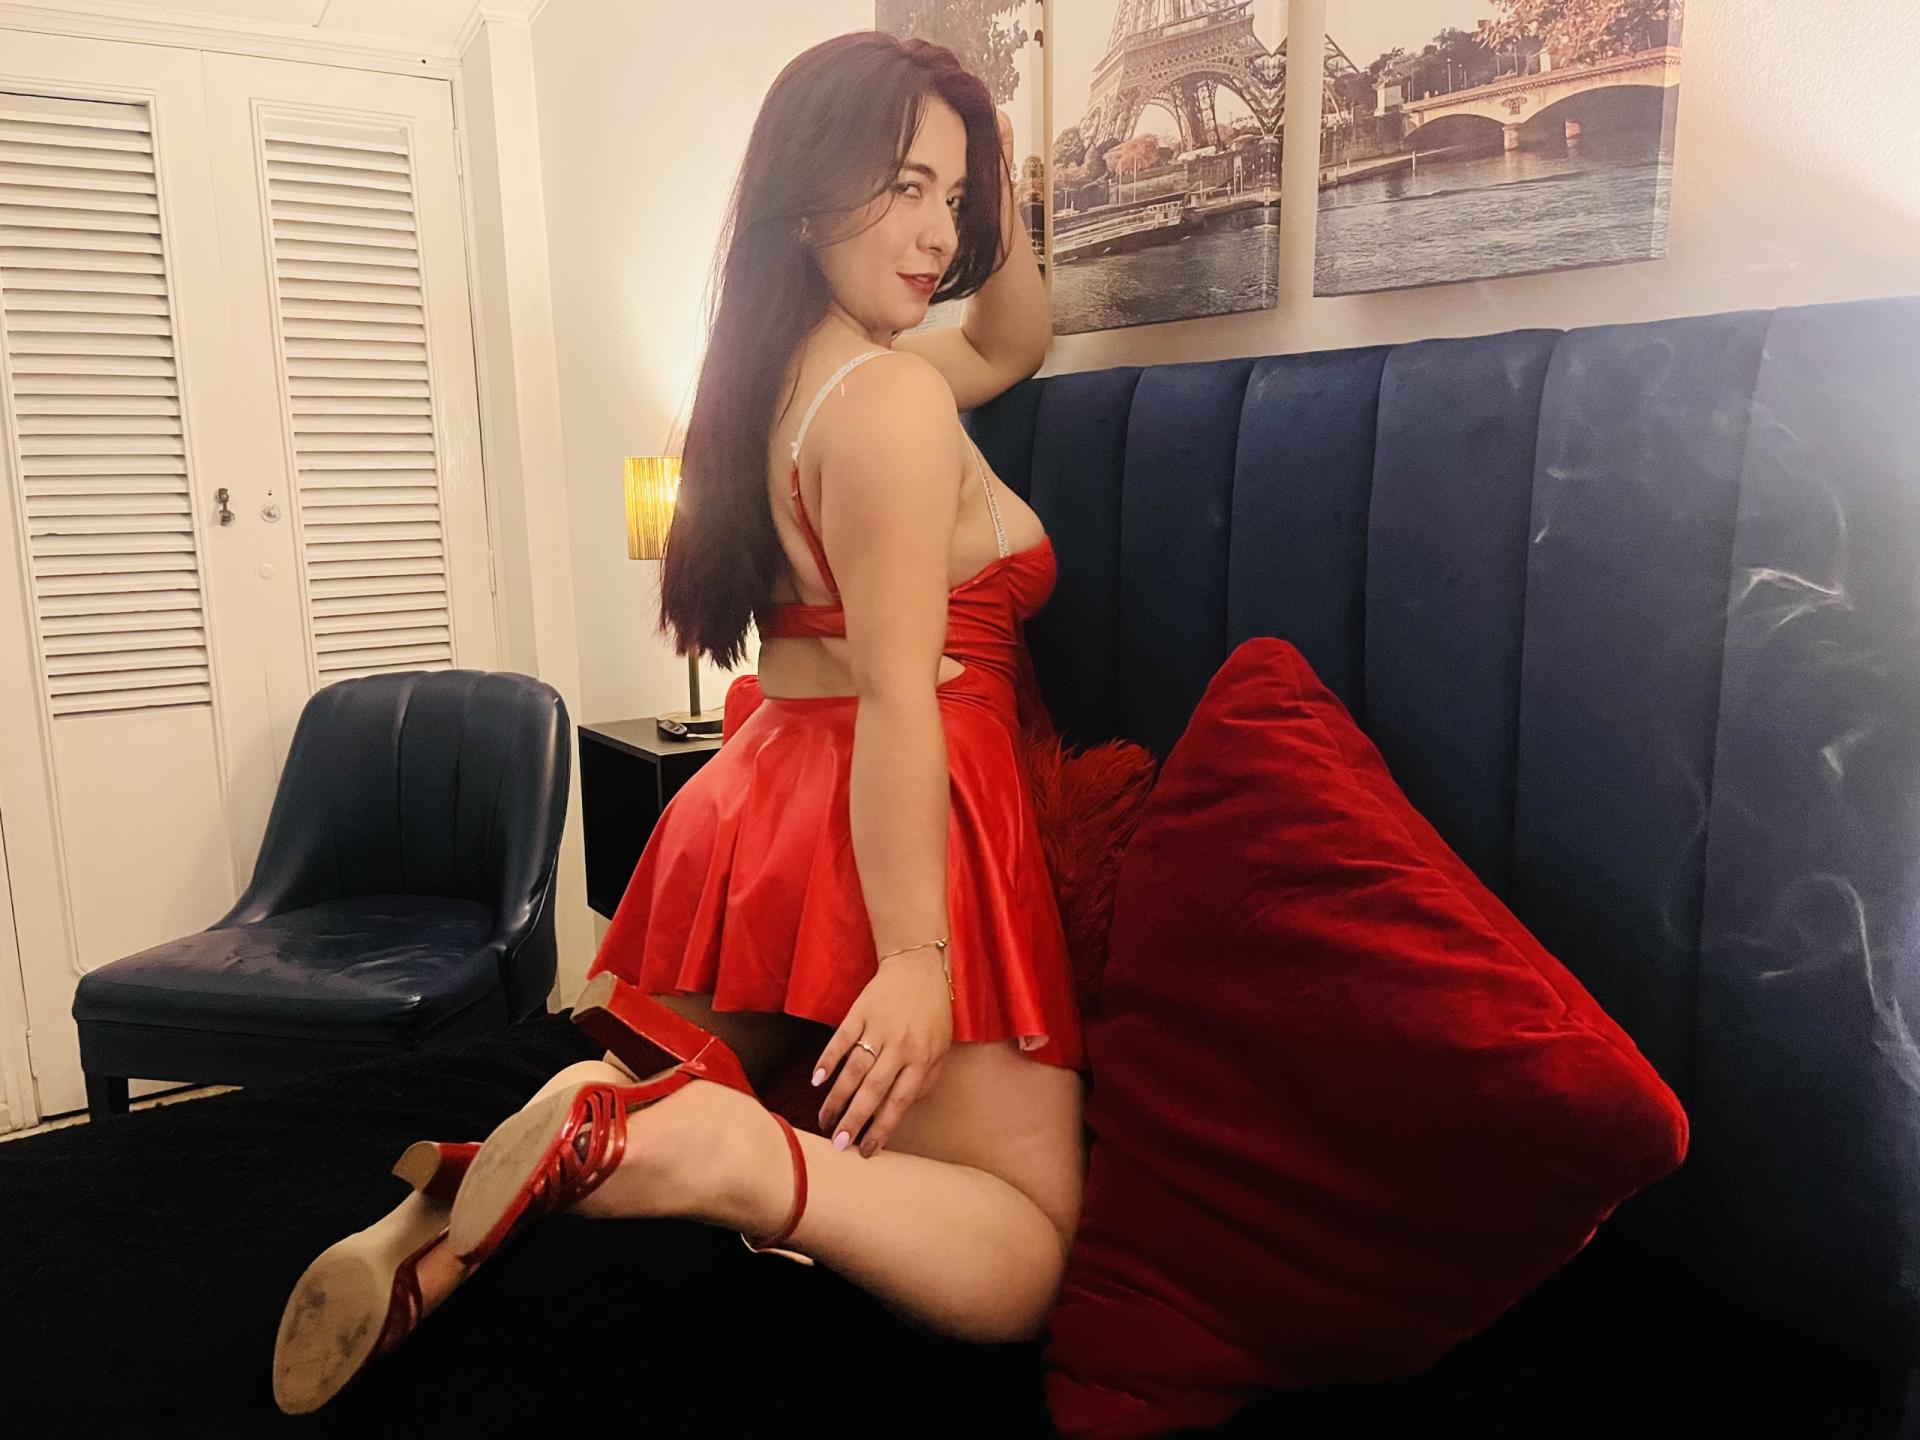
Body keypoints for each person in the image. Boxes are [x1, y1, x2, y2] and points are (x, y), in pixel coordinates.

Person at [271, 30, 1079, 1416]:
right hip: (905, 812)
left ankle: (435, 1233)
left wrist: (994, 172)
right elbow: (899, 699)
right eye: (904, 186)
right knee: (1025, 1250)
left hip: (765, 796)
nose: (939, 235)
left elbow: (1014, 340)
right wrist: (917, 959)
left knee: (680, 1055)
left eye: (954, 198)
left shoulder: (766, 385)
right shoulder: (887, 402)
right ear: (808, 191)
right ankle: (737, 1161)